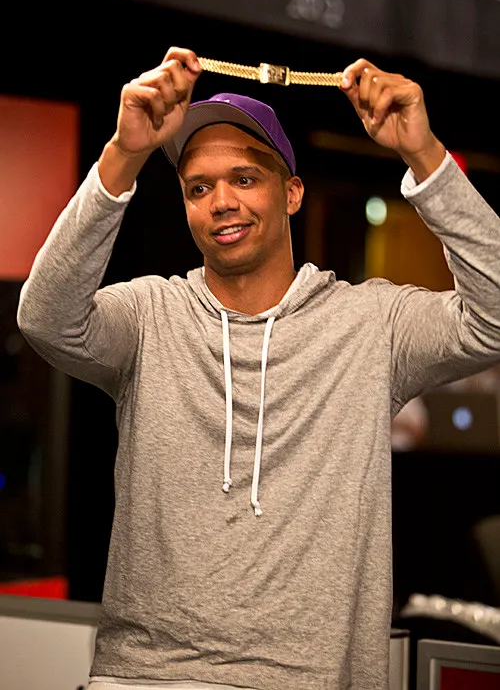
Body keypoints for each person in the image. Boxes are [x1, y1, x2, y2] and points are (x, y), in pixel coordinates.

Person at [16, 46, 500, 690]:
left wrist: (426, 155)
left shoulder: (371, 324)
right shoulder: (149, 315)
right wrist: (122, 156)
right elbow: (45, 318)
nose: (221, 201)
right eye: (199, 188)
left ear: (292, 193)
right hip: (146, 677)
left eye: (244, 179)